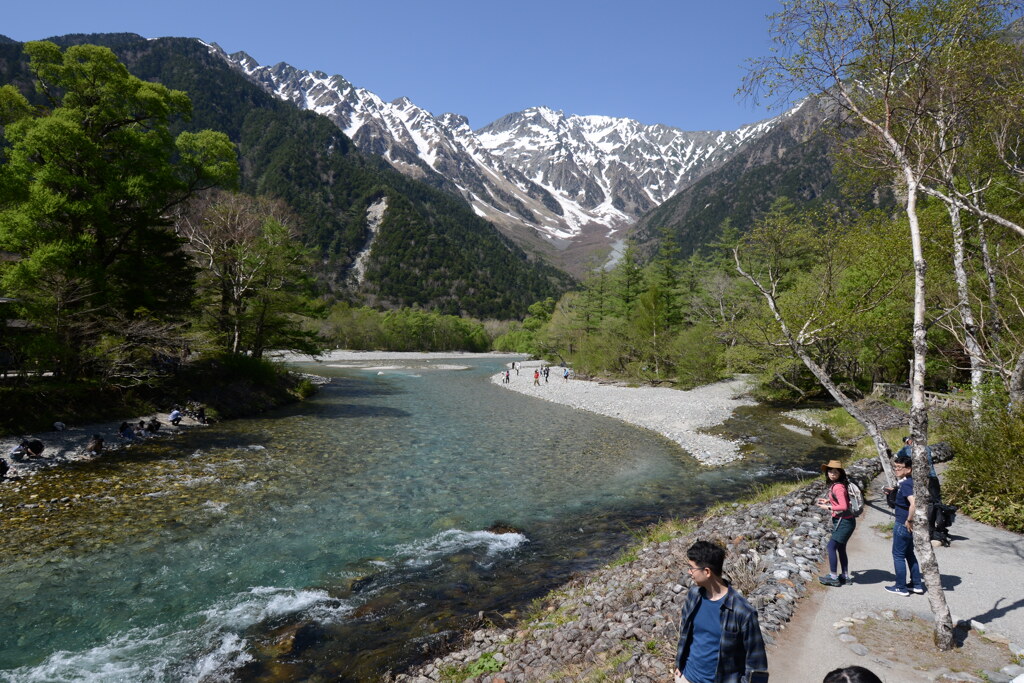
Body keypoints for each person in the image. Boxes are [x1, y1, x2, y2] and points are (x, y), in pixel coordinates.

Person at [674, 540, 768, 683]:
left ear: (707, 572)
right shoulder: (693, 595)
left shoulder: (743, 612)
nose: (689, 572)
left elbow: (757, 664)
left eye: (692, 568)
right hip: (686, 677)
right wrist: (679, 665)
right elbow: (685, 633)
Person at [882, 454, 925, 596]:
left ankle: (900, 587)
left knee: (898, 555)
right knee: (909, 553)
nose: (896, 470)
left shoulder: (906, 484)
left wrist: (909, 519)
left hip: (902, 523)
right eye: (895, 467)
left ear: (909, 469)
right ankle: (916, 584)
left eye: (900, 468)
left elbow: (913, 504)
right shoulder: (909, 482)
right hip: (907, 524)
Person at [896, 436, 943, 546]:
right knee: (936, 503)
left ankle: (927, 532)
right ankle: (937, 531)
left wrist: (906, 446)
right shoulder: (926, 448)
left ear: (908, 441)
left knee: (925, 504)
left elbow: (899, 456)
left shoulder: (907, 448)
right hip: (933, 477)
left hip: (921, 479)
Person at [816, 459, 856, 587]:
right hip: (845, 520)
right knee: (840, 548)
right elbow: (840, 500)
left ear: (840, 473)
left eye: (835, 472)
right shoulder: (838, 484)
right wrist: (829, 500)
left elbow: (843, 506)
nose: (832, 474)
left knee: (831, 547)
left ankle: (833, 577)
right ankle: (844, 575)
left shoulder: (838, 486)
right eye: (830, 471)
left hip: (843, 522)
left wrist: (827, 507)